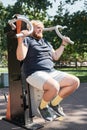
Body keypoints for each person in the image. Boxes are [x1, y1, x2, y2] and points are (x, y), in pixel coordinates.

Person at [16, 20, 80, 121]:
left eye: (41, 27)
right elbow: (20, 57)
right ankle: (43, 107)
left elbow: (55, 56)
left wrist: (63, 44)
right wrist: (21, 39)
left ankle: (54, 103)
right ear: (30, 29)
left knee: (75, 82)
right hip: (35, 73)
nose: (40, 29)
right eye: (37, 27)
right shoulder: (27, 40)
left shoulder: (46, 42)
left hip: (51, 72)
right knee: (54, 86)